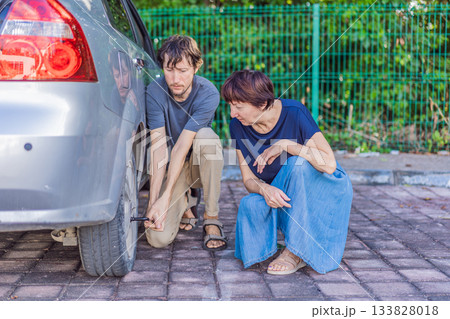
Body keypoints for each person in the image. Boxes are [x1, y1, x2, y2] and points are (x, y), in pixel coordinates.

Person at [222, 70, 353, 274]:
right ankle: (273, 247)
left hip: (323, 186)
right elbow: (248, 179)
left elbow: (329, 164)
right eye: (230, 106)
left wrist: (286, 145)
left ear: (263, 104)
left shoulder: (295, 112)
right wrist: (264, 188)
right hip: (284, 189)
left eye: (238, 107)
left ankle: (296, 251)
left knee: (296, 165)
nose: (232, 113)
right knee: (250, 202)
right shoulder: (237, 126)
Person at [144, 35, 227, 251]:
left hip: (200, 166)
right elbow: (159, 146)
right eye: (169, 70)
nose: (175, 79)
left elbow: (183, 145)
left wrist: (166, 195)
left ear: (197, 67)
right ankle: (184, 203)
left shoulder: (208, 93)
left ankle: (211, 219)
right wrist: (154, 203)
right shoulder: (154, 91)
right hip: (174, 167)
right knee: (156, 238)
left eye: (182, 71)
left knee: (207, 137)